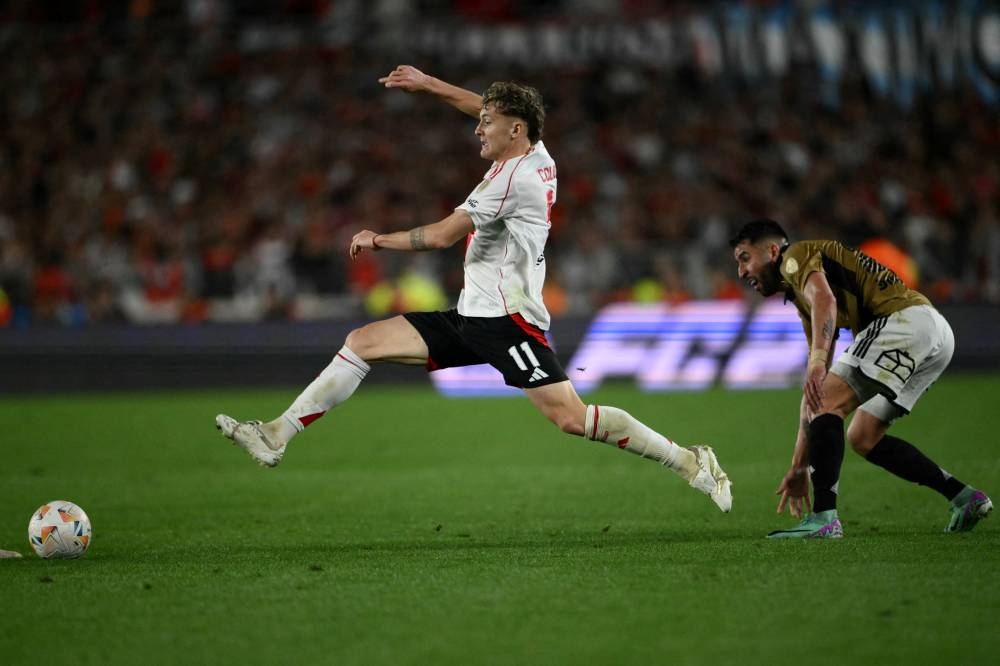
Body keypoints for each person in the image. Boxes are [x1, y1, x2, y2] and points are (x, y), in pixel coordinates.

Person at [215, 65, 732, 513]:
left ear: (515, 129)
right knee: (362, 342)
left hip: (508, 322)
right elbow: (482, 107)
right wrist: (429, 85)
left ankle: (690, 461)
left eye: (487, 123)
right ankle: (275, 434)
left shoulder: (508, 180)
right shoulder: (538, 153)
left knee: (572, 419)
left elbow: (440, 236)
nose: (477, 129)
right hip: (474, 317)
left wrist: (378, 239)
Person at [730, 218, 992, 538]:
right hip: (933, 332)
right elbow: (814, 396)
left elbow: (825, 301)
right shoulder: (803, 299)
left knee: (830, 402)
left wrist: (815, 364)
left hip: (901, 321)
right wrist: (798, 466)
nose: (742, 272)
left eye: (745, 258)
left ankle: (824, 518)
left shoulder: (793, 257)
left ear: (773, 250)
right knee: (863, 437)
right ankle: (964, 498)